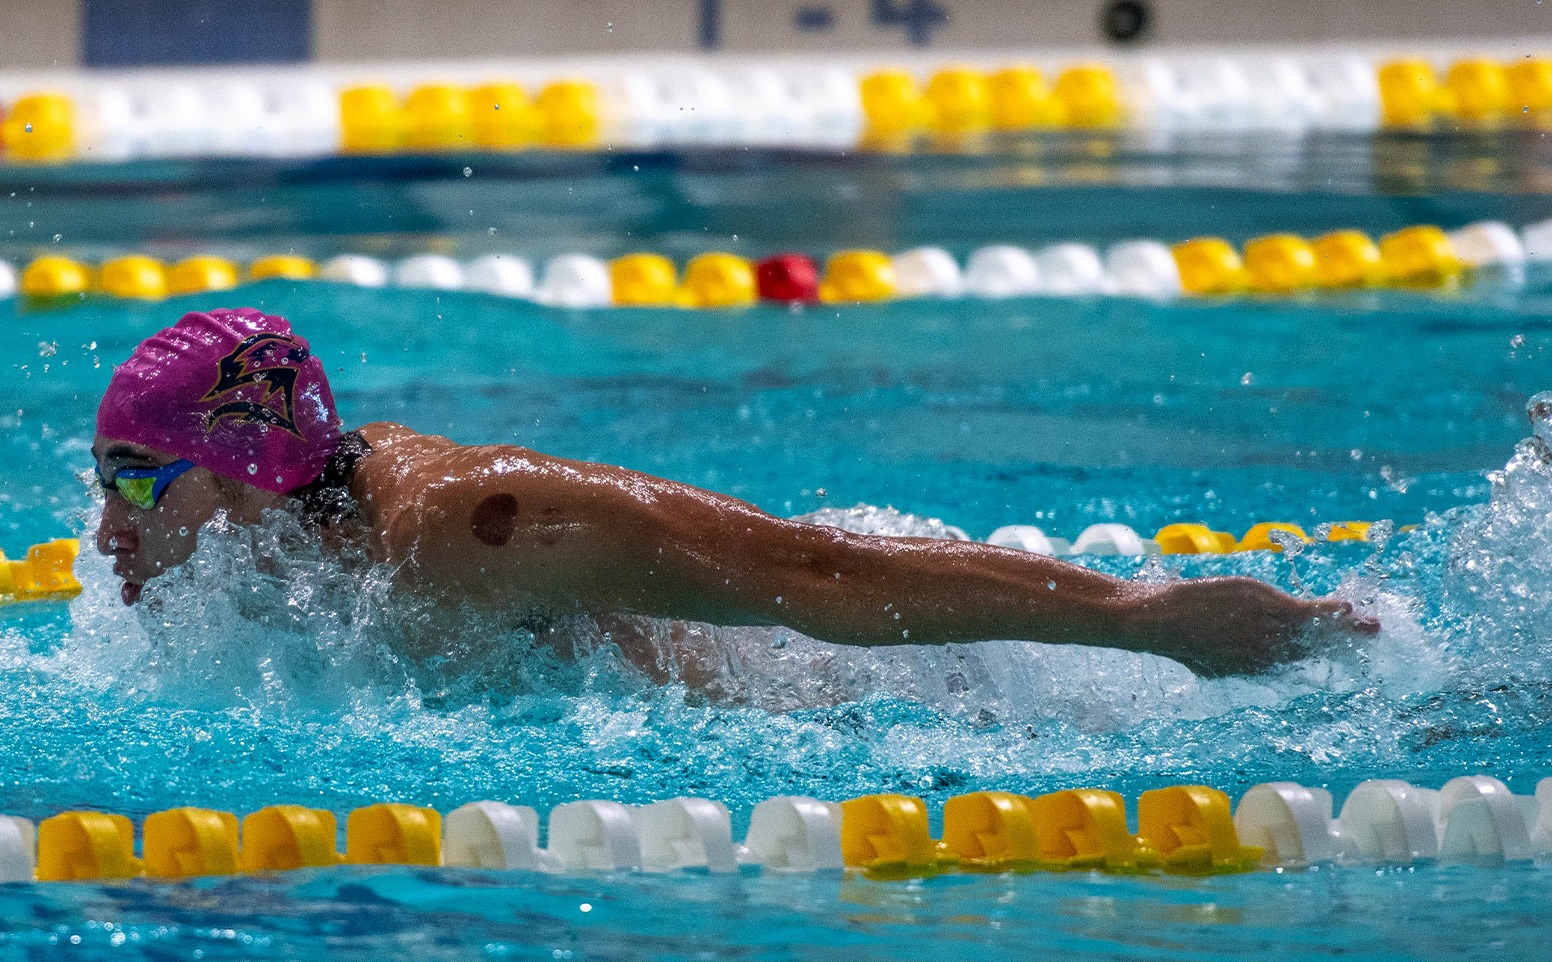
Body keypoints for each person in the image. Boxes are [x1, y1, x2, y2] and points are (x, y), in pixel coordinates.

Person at [93, 309, 1376, 678]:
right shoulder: (308, 533)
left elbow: (822, 581)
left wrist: (1142, 621)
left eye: (136, 484)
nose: (108, 532)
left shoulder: (470, 525)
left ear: (242, 475)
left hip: (906, 680)